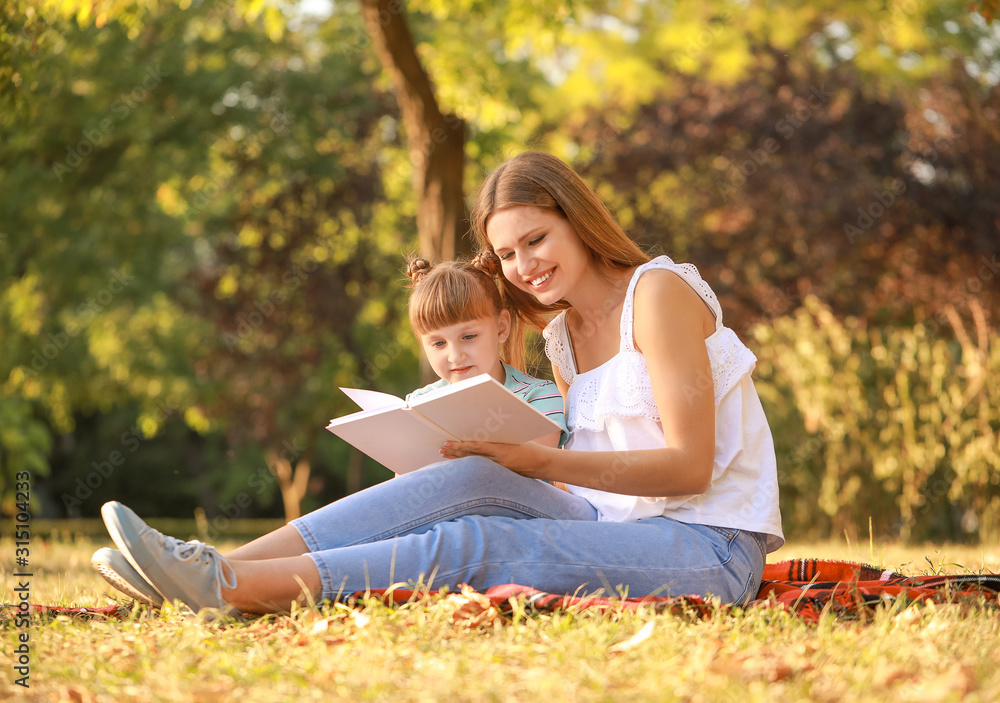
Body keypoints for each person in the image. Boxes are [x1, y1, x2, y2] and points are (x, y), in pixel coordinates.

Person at [95, 150, 783, 617]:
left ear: (578, 219)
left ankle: (230, 586)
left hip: (707, 547)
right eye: (507, 253)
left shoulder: (657, 292)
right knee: (463, 483)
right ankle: (204, 566)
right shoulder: (562, 336)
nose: (524, 266)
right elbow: (589, 487)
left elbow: (690, 467)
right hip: (616, 527)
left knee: (483, 540)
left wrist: (539, 461)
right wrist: (501, 458)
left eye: (536, 239)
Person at [92, 254, 568, 610]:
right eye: (437, 343)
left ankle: (207, 573)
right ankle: (200, 571)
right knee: (378, 516)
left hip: (516, 521)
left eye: (469, 336)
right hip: (438, 518)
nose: (454, 355)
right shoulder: (423, 403)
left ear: (502, 327)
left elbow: (546, 472)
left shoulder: (542, 395)